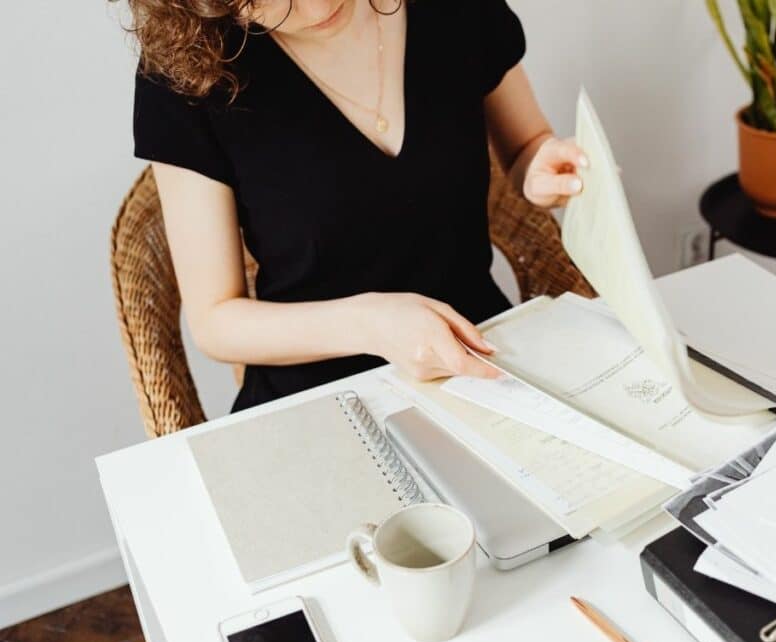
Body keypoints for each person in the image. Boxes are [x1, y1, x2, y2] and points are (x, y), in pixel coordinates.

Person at [125, 0, 587, 411]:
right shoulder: (188, 70)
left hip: (482, 357)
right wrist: (371, 325)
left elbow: (526, 145)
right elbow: (215, 320)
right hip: (319, 398)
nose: (319, 6)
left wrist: (539, 164)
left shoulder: (456, 9)